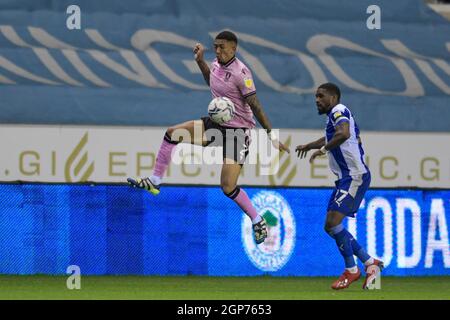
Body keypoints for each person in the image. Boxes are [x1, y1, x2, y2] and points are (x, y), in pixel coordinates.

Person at [128, 30, 290, 245]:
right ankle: (155, 181)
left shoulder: (242, 73)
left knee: (227, 186)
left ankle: (257, 219)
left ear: (234, 48)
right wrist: (200, 62)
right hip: (216, 124)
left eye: (222, 46)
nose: (218, 50)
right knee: (171, 133)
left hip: (238, 133)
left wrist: (271, 135)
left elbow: (256, 105)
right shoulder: (215, 64)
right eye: (215, 46)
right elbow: (211, 80)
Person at [296, 83, 383, 290]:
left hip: (354, 176)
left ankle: (352, 270)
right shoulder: (333, 117)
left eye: (321, 96)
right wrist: (309, 146)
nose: (317, 100)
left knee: (332, 222)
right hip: (345, 178)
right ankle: (371, 263)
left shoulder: (339, 110)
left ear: (333, 98)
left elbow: (342, 134)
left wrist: (323, 150)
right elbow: (332, 136)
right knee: (331, 225)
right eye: (315, 96)